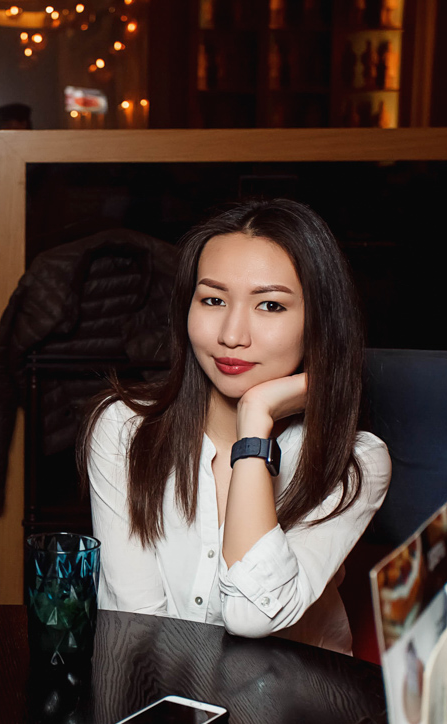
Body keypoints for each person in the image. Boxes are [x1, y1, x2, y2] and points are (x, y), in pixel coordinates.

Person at [80, 198, 390, 653]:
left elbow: (252, 615)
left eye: (270, 305)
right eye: (213, 299)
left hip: (295, 692)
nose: (231, 335)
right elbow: (136, 625)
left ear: (320, 322)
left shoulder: (355, 461)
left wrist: (255, 424)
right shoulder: (125, 429)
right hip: (157, 689)